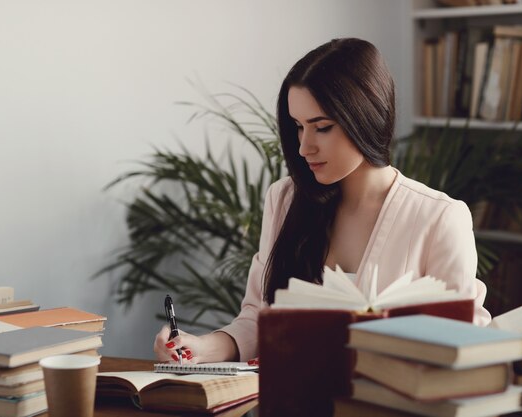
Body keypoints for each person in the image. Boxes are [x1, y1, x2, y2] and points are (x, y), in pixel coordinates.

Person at [154, 37, 491, 364]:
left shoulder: (439, 218)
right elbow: (260, 316)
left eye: (322, 127)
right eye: (298, 126)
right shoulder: (284, 199)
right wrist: (201, 347)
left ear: (367, 117)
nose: (304, 147)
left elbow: (460, 345)